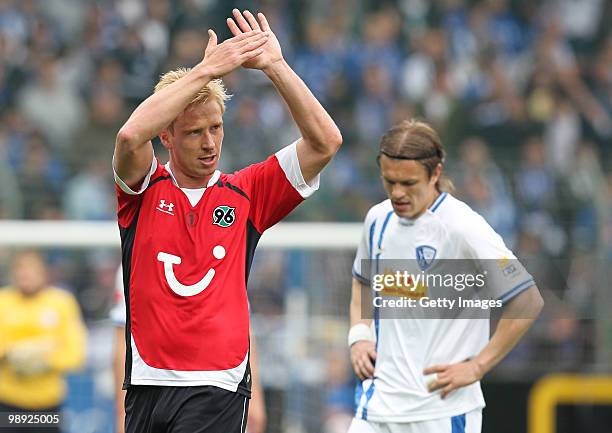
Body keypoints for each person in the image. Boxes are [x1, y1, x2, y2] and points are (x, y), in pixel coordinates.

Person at [113, 8, 342, 433]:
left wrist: (275, 66)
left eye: (216, 128)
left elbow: (326, 141)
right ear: (166, 136)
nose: (209, 142)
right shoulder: (143, 189)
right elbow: (129, 136)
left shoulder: (248, 193)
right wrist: (206, 70)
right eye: (195, 132)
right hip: (147, 382)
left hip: (217, 384)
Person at [348, 120, 544, 433]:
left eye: (409, 183)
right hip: (376, 408)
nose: (397, 192)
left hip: (441, 413)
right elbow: (363, 280)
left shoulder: (463, 227)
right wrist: (359, 336)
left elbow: (527, 300)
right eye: (389, 182)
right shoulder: (377, 220)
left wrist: (478, 366)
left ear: (435, 173)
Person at [110, 267, 267, 433]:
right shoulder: (141, 253)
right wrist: (123, 412)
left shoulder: (225, 249)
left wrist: (253, 393)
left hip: (214, 387)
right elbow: (125, 333)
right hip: (165, 389)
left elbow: (240, 321)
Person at [0, 250, 87, 432]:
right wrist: (13, 355)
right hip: (7, 402)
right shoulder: (3, 301)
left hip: (47, 404)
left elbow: (75, 354)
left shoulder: (61, 303)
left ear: (43, 272)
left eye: (31, 268)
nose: (25, 274)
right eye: (21, 268)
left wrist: (44, 360)